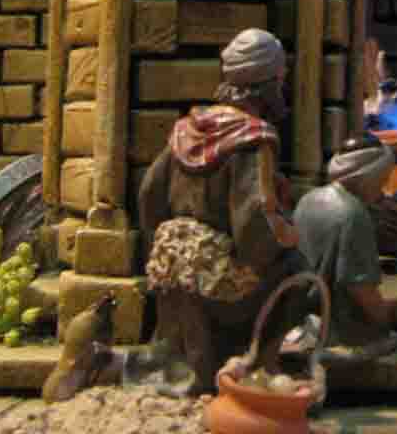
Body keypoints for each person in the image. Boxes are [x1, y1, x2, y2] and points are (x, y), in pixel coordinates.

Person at [129, 28, 310, 395]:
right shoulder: (252, 139)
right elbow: (254, 222)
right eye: (280, 79)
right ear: (268, 84)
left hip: (174, 272)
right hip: (220, 280)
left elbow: (149, 195)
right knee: (298, 270)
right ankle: (258, 364)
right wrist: (288, 235)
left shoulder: (187, 129)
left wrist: (170, 247)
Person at [293, 136, 397, 362]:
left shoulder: (307, 200)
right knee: (389, 337)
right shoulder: (353, 213)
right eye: (382, 181)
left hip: (303, 318)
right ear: (368, 176)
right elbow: (360, 287)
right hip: (339, 328)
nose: (382, 191)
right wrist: (385, 317)